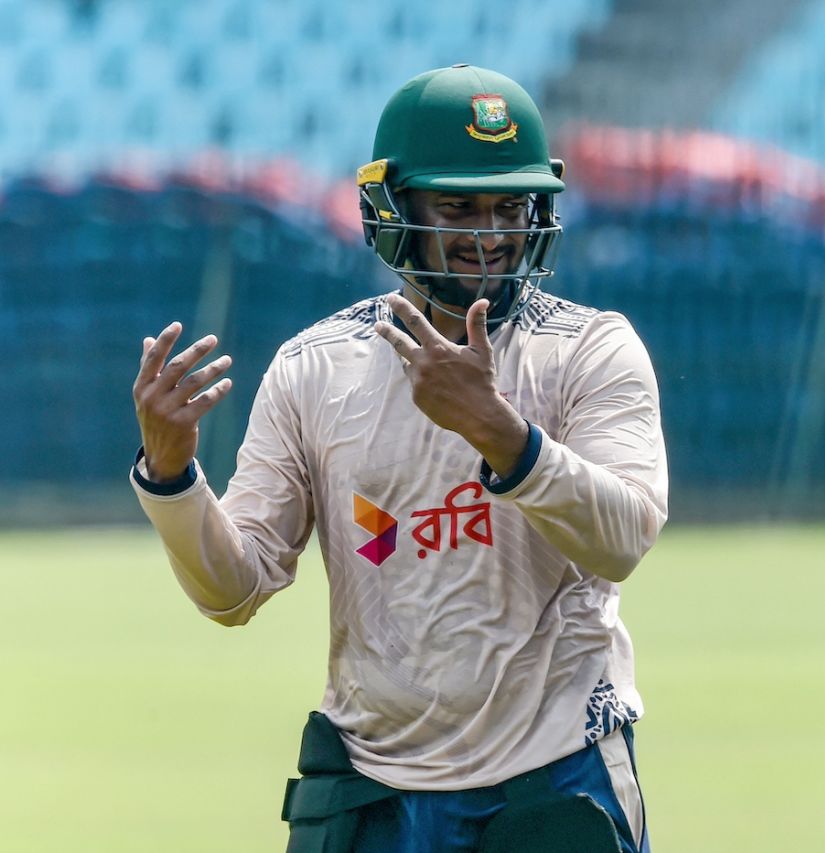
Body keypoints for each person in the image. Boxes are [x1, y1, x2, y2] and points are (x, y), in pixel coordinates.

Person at [130, 64, 666, 852]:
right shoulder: (316, 367)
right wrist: (173, 477)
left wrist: (501, 436)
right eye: (457, 205)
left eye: (509, 205)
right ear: (391, 211)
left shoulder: (590, 347)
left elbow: (622, 540)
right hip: (376, 793)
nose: (490, 234)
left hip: (557, 779)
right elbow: (232, 589)